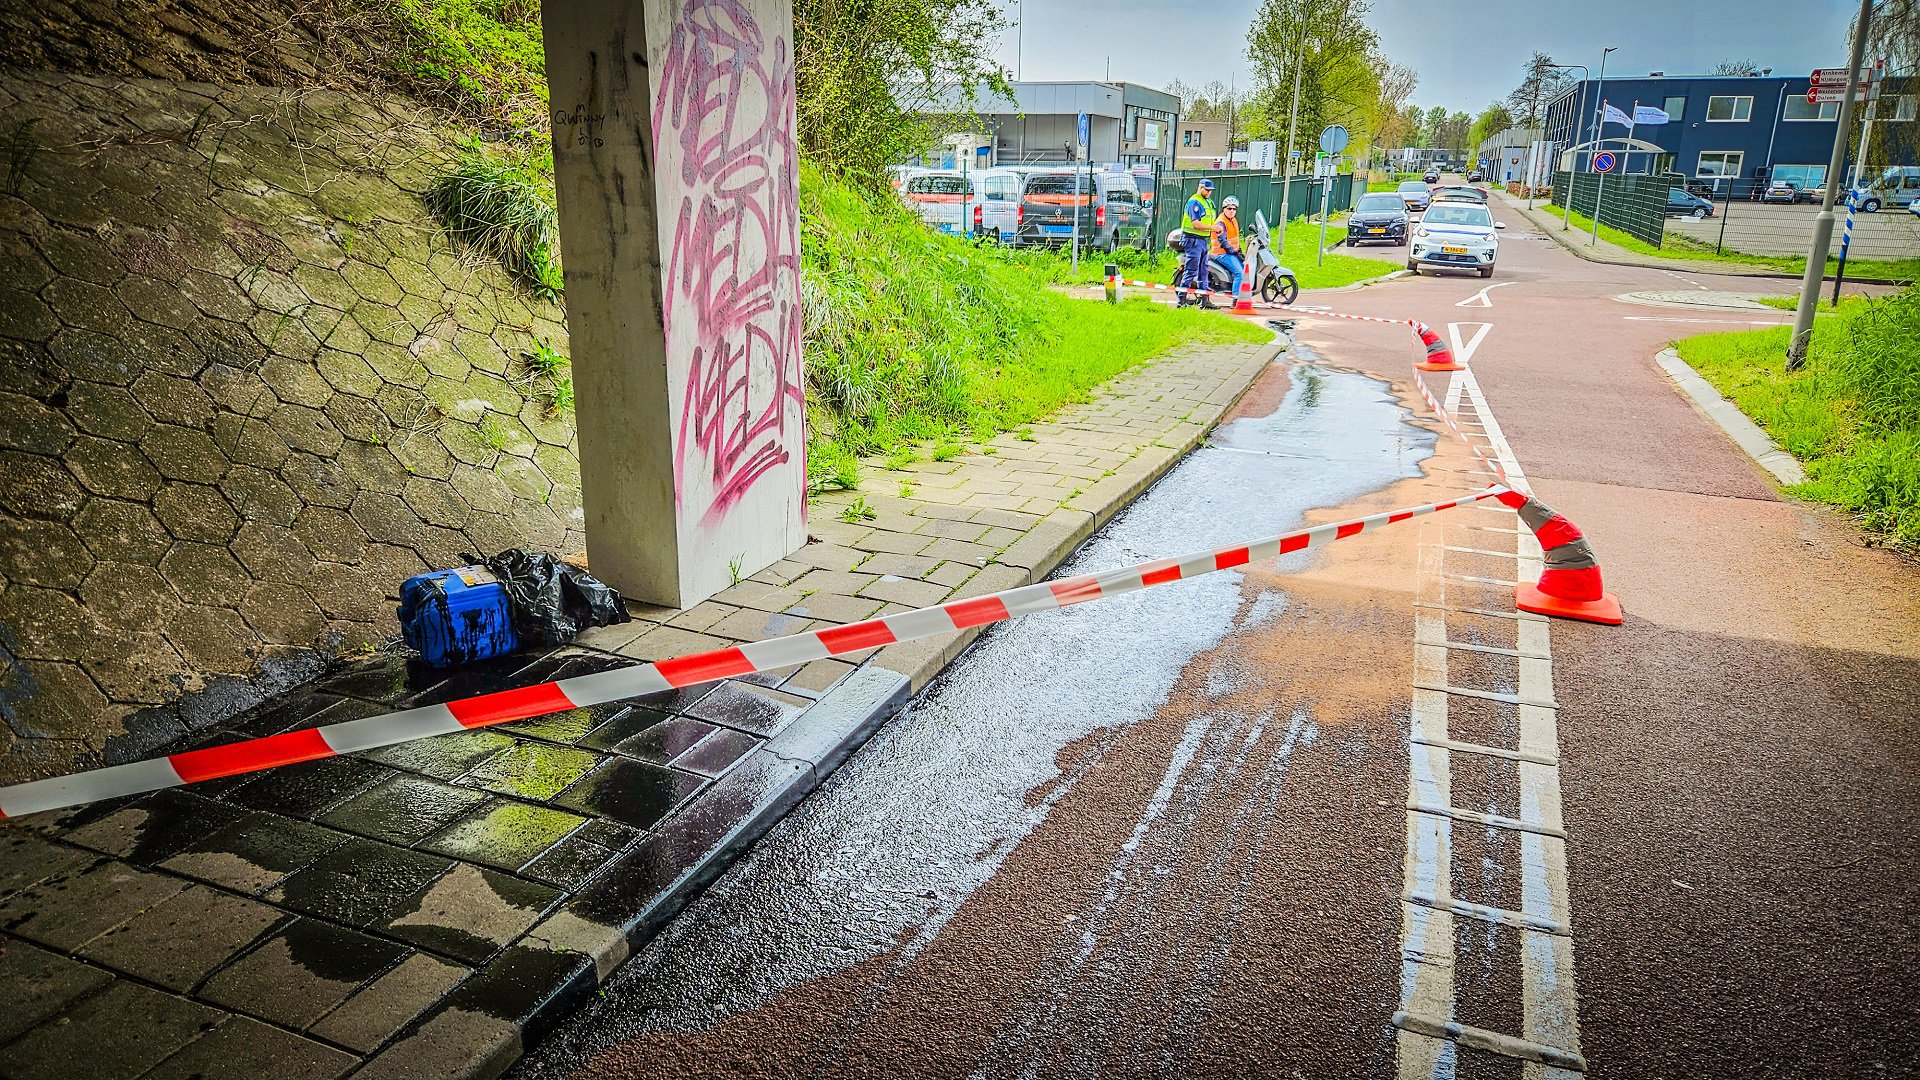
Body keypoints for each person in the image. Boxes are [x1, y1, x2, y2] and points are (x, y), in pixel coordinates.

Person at [1178, 178, 1218, 309]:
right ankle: (1181, 301)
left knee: (1204, 271)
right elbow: (1196, 224)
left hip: (1202, 240)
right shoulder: (1194, 202)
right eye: (1207, 190)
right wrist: (1213, 228)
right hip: (1192, 240)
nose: (1209, 192)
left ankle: (1205, 300)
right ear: (1200, 188)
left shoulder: (1208, 203)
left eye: (1210, 190)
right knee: (1191, 270)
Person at [1209, 196, 1244, 303]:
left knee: (1244, 268)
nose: (1232, 211)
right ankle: (1235, 300)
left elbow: (1234, 239)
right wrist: (1233, 250)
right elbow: (1223, 241)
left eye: (1234, 209)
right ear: (1224, 209)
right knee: (1240, 273)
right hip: (1222, 253)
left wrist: (1238, 250)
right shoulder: (1221, 222)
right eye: (1229, 208)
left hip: (1230, 252)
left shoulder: (1233, 220)